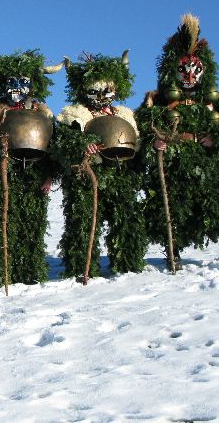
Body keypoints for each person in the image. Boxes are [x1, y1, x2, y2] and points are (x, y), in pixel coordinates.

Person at [136, 14, 219, 264]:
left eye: (195, 70)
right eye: (183, 70)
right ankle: (173, 252)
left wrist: (217, 137)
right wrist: (155, 142)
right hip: (174, 161)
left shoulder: (215, 99)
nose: (190, 77)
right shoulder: (157, 100)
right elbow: (143, 127)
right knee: (172, 204)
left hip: (207, 160)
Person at [50, 51, 147, 279]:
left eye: (107, 91)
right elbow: (63, 142)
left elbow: (137, 142)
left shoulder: (124, 114)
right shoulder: (74, 114)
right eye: (94, 91)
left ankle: (126, 263)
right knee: (83, 221)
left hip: (120, 175)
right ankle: (82, 266)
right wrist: (81, 146)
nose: (101, 96)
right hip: (87, 176)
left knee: (124, 218)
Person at [0, 50, 64, 285]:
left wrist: (49, 175)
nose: (17, 87)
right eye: (11, 82)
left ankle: (29, 272)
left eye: (23, 82)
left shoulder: (40, 110)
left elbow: (52, 143)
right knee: (0, 223)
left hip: (34, 174)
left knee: (32, 224)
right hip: (2, 175)